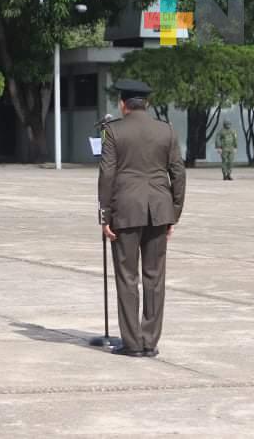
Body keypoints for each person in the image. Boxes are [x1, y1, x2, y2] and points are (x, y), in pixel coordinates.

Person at [98, 80, 186, 358]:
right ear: (146, 104)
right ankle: (149, 341)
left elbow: (107, 174)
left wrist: (104, 215)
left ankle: (132, 343)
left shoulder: (113, 131)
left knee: (127, 277)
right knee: (154, 277)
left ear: (123, 105)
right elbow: (179, 173)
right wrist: (174, 212)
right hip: (159, 210)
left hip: (125, 210)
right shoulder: (166, 131)